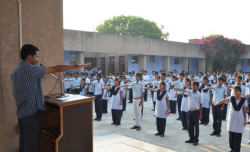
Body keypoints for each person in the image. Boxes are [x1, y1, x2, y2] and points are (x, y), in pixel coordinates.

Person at [11, 44, 91, 152]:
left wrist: (39, 95)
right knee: (32, 147)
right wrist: (77, 66)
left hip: (22, 115)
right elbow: (57, 68)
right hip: (31, 115)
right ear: (29, 57)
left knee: (24, 145)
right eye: (36, 56)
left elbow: (22, 91)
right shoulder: (31, 69)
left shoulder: (16, 71)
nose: (37, 59)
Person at [215, 86, 248, 152]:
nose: (235, 92)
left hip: (239, 119)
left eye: (237, 91)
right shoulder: (231, 98)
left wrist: (245, 120)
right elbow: (225, 99)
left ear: (240, 92)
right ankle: (232, 148)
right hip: (232, 119)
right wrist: (219, 101)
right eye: (234, 91)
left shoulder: (244, 100)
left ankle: (237, 149)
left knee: (238, 135)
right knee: (231, 135)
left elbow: (244, 111)